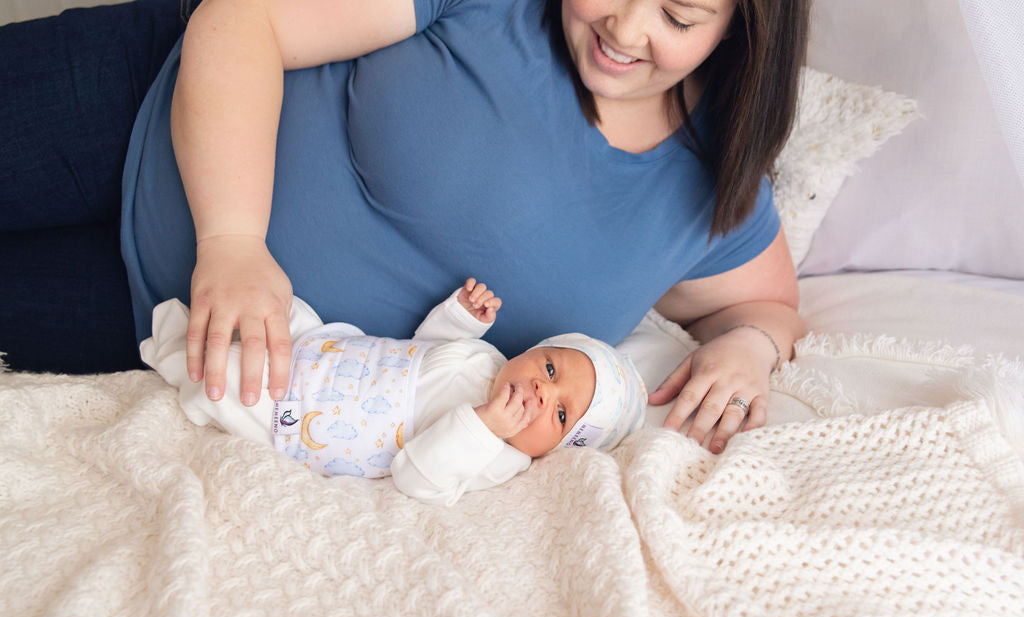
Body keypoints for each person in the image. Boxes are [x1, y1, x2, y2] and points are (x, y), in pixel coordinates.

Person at [0, 0, 808, 457]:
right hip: (131, 105)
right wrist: (233, 243)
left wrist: (750, 348)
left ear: (743, 23)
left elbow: (769, 307)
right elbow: (246, 18)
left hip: (163, 330)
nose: (627, 30)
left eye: (678, 15)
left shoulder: (714, 188)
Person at [142, 278, 648, 505]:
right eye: (552, 369)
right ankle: (208, 318)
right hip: (329, 353)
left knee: (229, 384)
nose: (541, 392)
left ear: (553, 451)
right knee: (278, 309)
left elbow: (417, 477)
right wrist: (461, 319)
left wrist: (483, 425)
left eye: (560, 417)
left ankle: (170, 352)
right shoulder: (488, 359)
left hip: (303, 415)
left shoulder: (496, 455)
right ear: (538, 351)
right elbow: (426, 350)